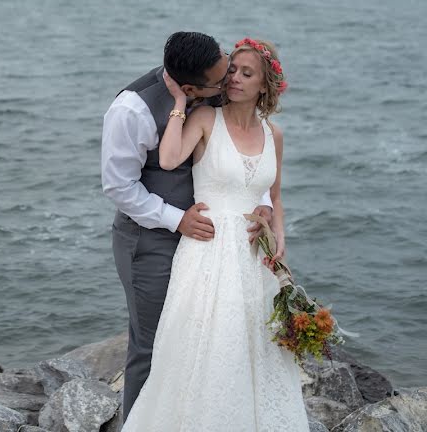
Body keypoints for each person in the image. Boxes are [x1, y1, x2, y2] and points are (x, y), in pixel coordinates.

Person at [120, 37, 308, 431]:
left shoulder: (274, 134)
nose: (235, 79)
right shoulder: (205, 119)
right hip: (207, 251)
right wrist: (176, 105)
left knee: (255, 350)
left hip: (255, 257)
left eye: (246, 73)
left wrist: (279, 246)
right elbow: (170, 159)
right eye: (233, 71)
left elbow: (273, 195)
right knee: (204, 347)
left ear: (264, 85)